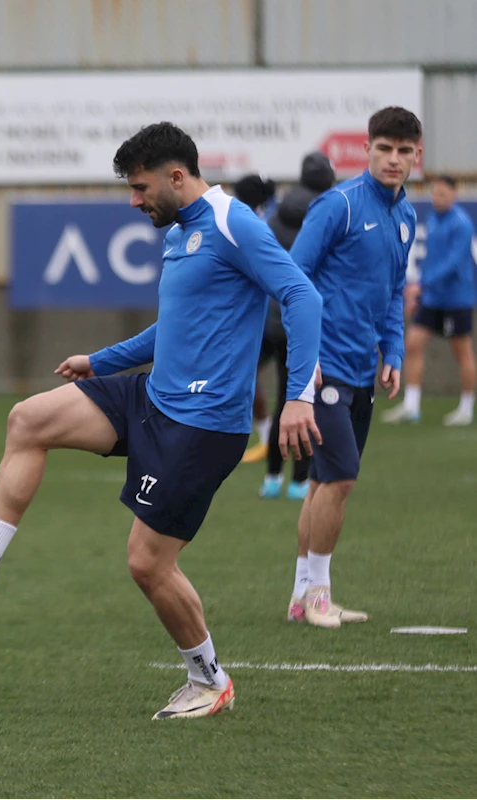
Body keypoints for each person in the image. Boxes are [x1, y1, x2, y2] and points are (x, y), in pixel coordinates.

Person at [0, 122, 323, 719]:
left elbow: (303, 297)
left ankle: (209, 679)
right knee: (28, 420)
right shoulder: (179, 229)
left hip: (203, 426)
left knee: (147, 563)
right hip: (152, 398)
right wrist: (99, 361)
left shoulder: (232, 223)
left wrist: (299, 397)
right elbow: (172, 328)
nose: (134, 200)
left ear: (177, 176)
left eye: (140, 186)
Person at [286, 106, 422, 628]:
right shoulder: (337, 205)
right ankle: (320, 592)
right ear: (366, 149)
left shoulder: (405, 216)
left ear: (416, 157)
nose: (393, 159)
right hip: (326, 370)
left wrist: (394, 350)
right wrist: (308, 356)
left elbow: (392, 292)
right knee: (341, 478)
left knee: (323, 482)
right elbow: (293, 279)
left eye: (403, 151)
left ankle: (301, 598)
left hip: (364, 367)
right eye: (384, 148)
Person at [259, 151, 336, 500]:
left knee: (282, 400)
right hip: (306, 323)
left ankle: (273, 478)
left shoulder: (277, 215)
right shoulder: (327, 214)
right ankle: (299, 480)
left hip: (275, 319)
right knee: (304, 400)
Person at [382, 175, 476, 426]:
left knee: (463, 353)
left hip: (457, 300)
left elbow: (452, 264)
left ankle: (466, 409)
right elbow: (431, 262)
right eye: (434, 194)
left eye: (442, 194)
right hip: (432, 298)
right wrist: (420, 292)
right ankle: (411, 406)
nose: (437, 198)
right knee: (413, 344)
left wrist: (420, 286)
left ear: (454, 195)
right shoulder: (432, 219)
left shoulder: (462, 224)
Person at [231, 173, 277, 464]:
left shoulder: (247, 225)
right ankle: (269, 437)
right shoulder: (272, 217)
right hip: (279, 316)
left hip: (262, 319)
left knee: (245, 375)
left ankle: (268, 437)